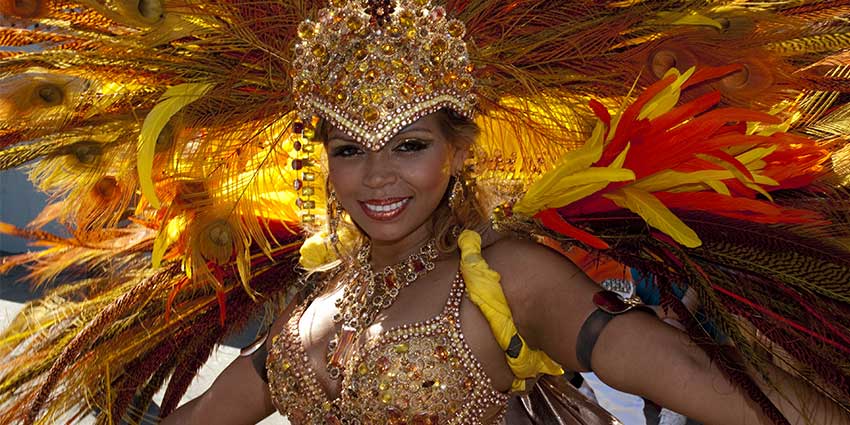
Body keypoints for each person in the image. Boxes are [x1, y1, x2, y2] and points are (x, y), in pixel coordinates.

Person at [0, 1, 849, 425]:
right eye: (348, 147)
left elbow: (674, 373)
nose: (377, 177)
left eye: (408, 145)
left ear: (457, 151)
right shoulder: (310, 309)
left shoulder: (508, 275)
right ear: (318, 155)